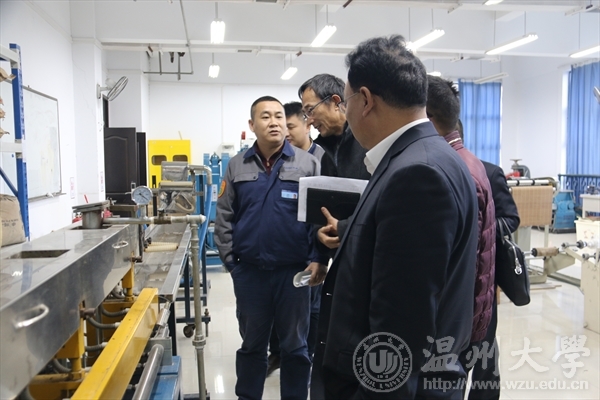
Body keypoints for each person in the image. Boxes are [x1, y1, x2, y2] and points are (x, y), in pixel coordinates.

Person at [312, 35, 479, 399]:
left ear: (365, 100)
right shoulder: (425, 157)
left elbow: (401, 328)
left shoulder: (417, 174)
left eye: (347, 100)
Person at [214, 96, 327, 400]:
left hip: (294, 274)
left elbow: (319, 218)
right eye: (265, 117)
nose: (274, 122)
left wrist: (318, 258)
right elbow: (224, 216)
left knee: (295, 347)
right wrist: (232, 264)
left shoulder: (308, 163)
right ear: (252, 125)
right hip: (250, 273)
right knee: (252, 345)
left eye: (279, 116)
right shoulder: (236, 165)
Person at [426, 76, 496, 393]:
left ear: (427, 118)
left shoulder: (449, 169)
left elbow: (448, 259)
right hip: (466, 314)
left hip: (449, 322)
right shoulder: (466, 160)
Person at [266, 101, 325, 376]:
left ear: (307, 124)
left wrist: (319, 254)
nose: (286, 132)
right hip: (280, 250)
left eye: (290, 126)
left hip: (310, 250)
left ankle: (306, 356)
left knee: (310, 306)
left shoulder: (322, 158)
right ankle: (277, 353)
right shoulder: (277, 157)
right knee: (276, 306)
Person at [298, 74, 371, 249]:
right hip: (340, 254)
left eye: (311, 110)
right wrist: (320, 233)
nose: (310, 121)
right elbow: (322, 206)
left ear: (336, 102)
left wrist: (343, 228)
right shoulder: (322, 153)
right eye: (306, 114)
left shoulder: (369, 142)